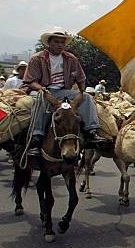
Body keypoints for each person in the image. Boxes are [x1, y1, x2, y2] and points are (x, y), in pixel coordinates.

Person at [23, 28, 110, 157]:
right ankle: (37, 137)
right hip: (43, 89)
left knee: (87, 98)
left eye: (62, 42)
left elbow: (80, 78)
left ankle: (91, 132)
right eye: (57, 42)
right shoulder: (37, 58)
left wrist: (81, 92)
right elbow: (30, 81)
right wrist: (42, 89)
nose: (60, 45)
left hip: (64, 91)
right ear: (49, 43)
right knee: (39, 100)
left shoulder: (71, 59)